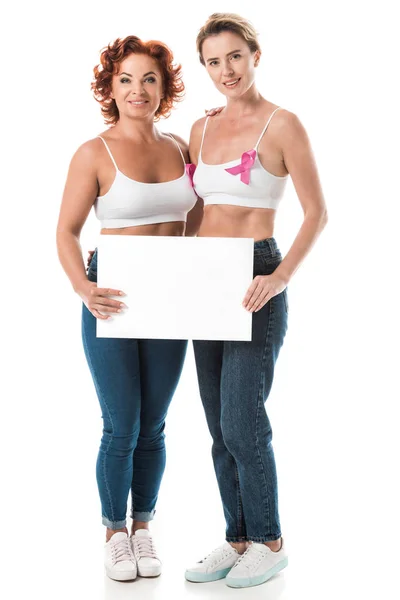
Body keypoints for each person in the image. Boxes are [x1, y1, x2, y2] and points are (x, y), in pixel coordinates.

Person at [185, 13, 328, 589]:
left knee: (244, 421)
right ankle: (236, 537)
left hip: (255, 275)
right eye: (214, 62)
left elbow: (318, 213)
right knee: (217, 426)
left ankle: (268, 540)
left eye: (235, 57)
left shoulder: (283, 124)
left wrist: (282, 275)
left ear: (255, 55)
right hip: (202, 278)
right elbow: (191, 213)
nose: (227, 71)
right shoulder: (200, 129)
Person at [56, 35, 201, 582]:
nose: (137, 89)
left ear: (164, 89)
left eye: (149, 79)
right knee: (122, 424)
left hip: (172, 297)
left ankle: (143, 527)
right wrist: (82, 288)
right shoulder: (94, 152)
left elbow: (201, 212)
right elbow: (67, 233)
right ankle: (114, 532)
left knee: (155, 426)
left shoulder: (183, 148)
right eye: (126, 79)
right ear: (110, 88)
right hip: (112, 298)